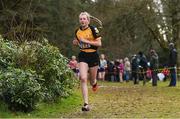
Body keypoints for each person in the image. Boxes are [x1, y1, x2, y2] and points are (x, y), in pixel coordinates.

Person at [72, 11, 102, 111]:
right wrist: (76, 43)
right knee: (83, 78)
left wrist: (86, 41)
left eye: (84, 19)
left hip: (93, 55)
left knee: (92, 80)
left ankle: (94, 83)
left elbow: (99, 43)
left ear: (88, 20)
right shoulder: (77, 31)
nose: (82, 20)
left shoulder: (94, 29)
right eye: (81, 19)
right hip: (83, 55)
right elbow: (77, 42)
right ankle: (86, 104)